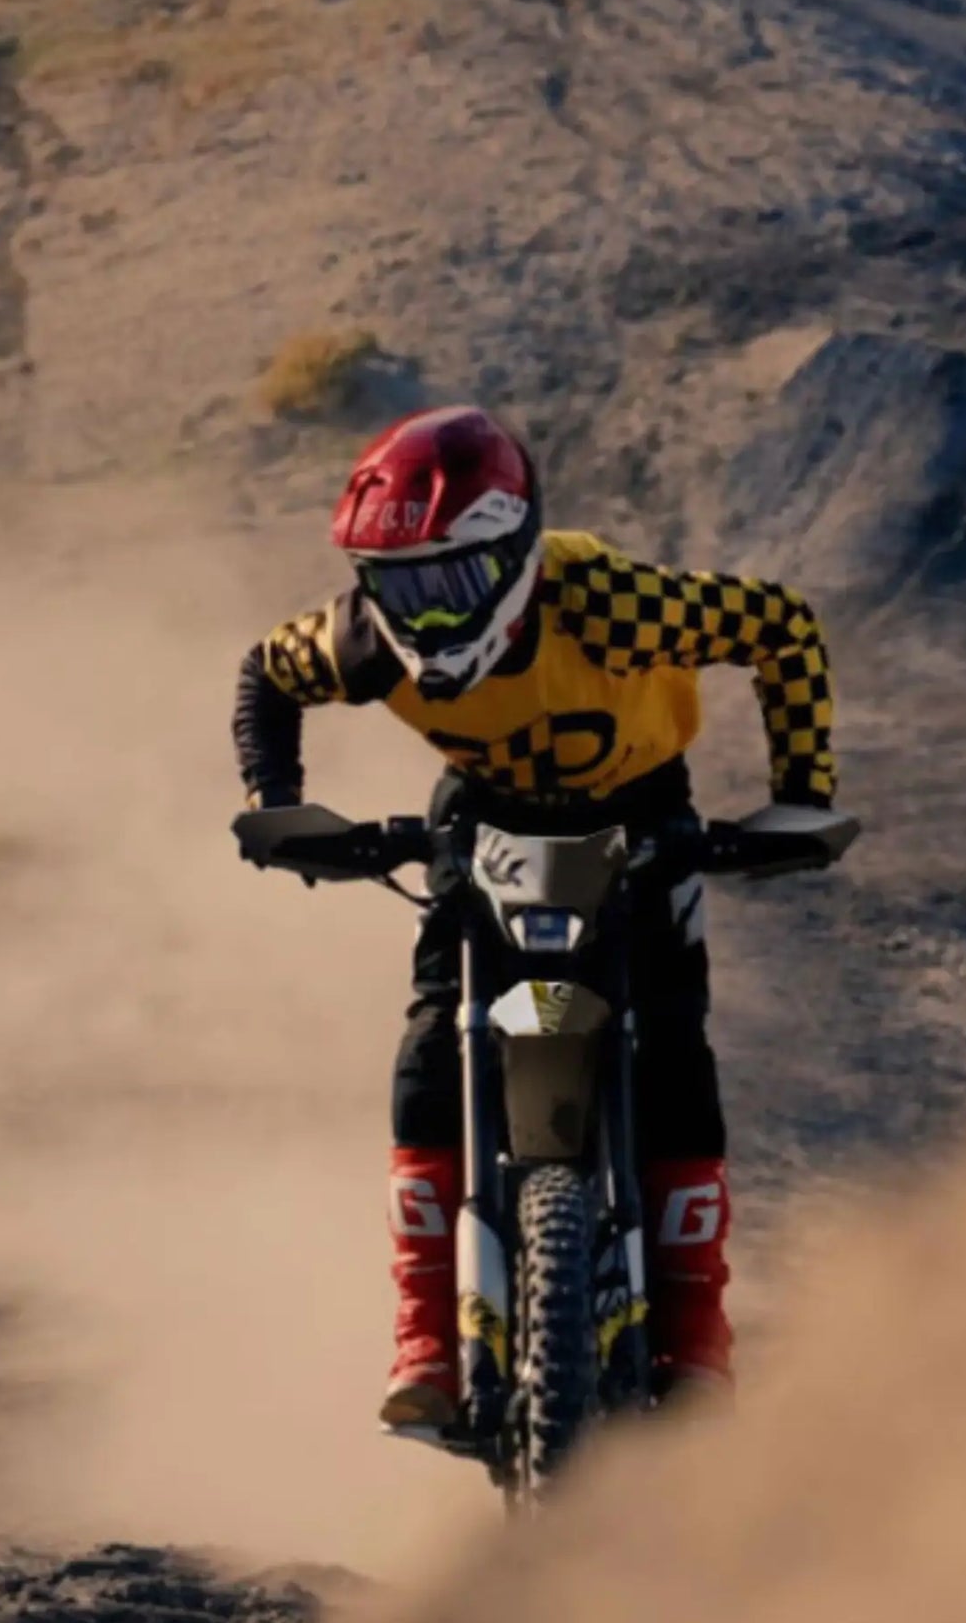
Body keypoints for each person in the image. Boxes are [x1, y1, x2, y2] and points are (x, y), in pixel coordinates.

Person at [231, 405, 839, 1427]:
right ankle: (426, 1334)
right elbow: (265, 673)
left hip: (641, 809)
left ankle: (697, 1331)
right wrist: (275, 802)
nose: (425, 617)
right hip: (482, 815)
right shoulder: (362, 639)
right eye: (399, 587)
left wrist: (803, 797)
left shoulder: (610, 605)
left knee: (672, 1049)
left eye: (451, 583)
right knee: (433, 1049)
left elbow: (778, 624)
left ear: (516, 555)